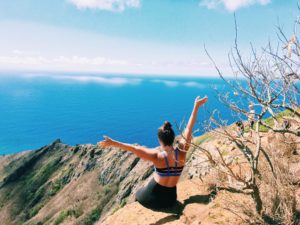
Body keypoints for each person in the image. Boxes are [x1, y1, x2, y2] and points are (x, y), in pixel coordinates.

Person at [98, 96, 208, 210]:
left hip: (152, 198)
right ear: (173, 137)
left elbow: (134, 148)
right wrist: (196, 107)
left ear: (160, 140)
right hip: (170, 199)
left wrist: (113, 143)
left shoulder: (157, 156)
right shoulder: (182, 152)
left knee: (138, 193)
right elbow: (189, 128)